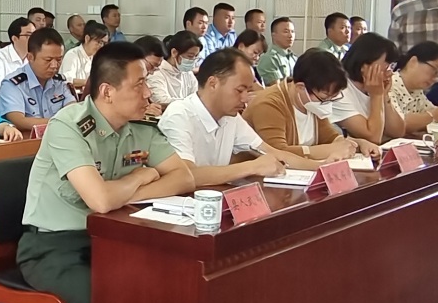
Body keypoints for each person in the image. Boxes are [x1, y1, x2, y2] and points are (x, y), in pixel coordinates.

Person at [18, 43, 192, 303]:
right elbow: (99, 200)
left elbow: (183, 177)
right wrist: (140, 176)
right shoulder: (69, 126)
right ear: (107, 91)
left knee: (168, 284)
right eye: (139, 84)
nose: (148, 92)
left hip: (113, 241)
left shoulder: (141, 128)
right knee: (111, 298)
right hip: (52, 247)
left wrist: (127, 190)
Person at [158, 49, 313, 187]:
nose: (245, 99)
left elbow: (272, 153)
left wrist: (319, 166)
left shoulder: (230, 116)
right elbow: (187, 175)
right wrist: (252, 167)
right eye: (239, 90)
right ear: (213, 83)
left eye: (248, 91)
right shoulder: (179, 115)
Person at [242, 48, 374, 161]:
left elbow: (330, 138)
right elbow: (277, 153)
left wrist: (357, 144)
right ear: (301, 87)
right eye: (324, 97)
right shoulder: (269, 104)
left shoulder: (311, 102)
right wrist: (323, 151)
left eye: (332, 98)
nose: (327, 103)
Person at [328, 32, 408, 144]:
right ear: (364, 66)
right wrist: (377, 96)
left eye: (392, 66)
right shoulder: (338, 92)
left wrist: (384, 96)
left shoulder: (373, 88)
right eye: (386, 66)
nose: (390, 73)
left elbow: (397, 132)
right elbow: (373, 138)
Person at [0, 26, 73, 128]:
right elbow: (19, 121)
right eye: (48, 60)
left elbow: (73, 111)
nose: (54, 65)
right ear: (30, 57)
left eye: (59, 59)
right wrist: (61, 123)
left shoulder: (59, 81)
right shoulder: (12, 84)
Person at [149, 30, 202, 110]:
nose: (193, 60)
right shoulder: (156, 72)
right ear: (174, 52)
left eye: (196, 56)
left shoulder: (188, 73)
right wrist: (191, 103)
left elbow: (198, 97)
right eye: (190, 56)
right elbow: (161, 101)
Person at [60, 20, 108, 93]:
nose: (101, 46)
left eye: (104, 43)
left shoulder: (97, 58)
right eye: (99, 42)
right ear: (87, 38)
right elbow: (67, 80)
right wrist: (90, 83)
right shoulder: (72, 55)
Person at [0, 16, 36, 88]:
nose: (34, 39)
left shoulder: (35, 56)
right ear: (14, 38)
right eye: (28, 35)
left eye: (35, 35)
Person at [258, 17, 299, 85]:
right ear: (274, 35)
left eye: (292, 31)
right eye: (286, 32)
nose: (290, 35)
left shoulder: (294, 58)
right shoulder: (269, 58)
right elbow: (277, 87)